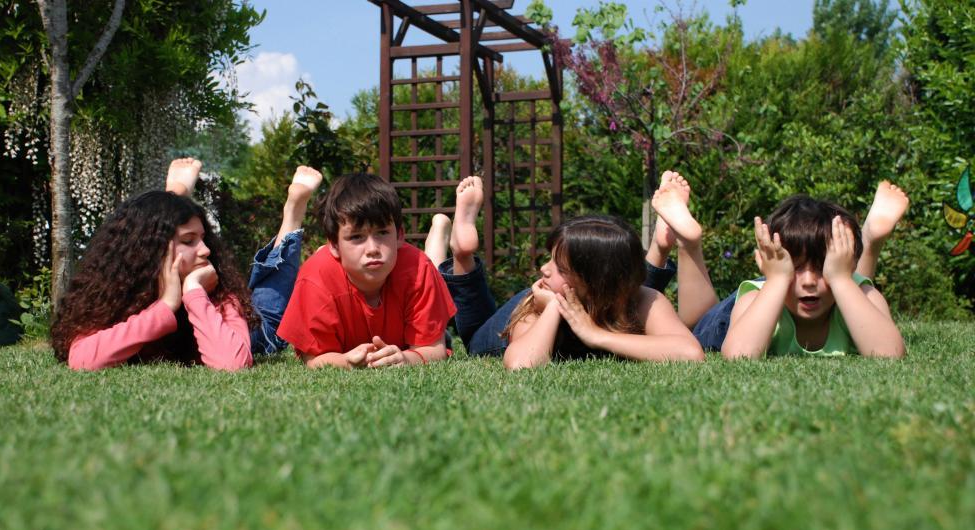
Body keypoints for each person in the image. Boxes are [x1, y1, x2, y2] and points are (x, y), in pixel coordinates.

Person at [51, 158, 321, 370]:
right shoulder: (114, 294)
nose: (205, 251)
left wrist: (194, 293)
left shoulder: (217, 290)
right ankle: (174, 199)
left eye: (202, 239)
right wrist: (166, 306)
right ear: (149, 249)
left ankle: (293, 214)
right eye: (189, 241)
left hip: (250, 333)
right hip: (156, 273)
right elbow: (82, 359)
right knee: (164, 219)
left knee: (269, 315)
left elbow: (232, 363)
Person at [424, 176, 705, 369]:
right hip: (496, 330)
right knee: (473, 336)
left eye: (559, 267)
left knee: (629, 288)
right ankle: (458, 254)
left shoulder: (643, 298)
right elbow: (521, 365)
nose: (543, 269)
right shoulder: (538, 300)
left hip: (607, 300)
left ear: (594, 283)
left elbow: (691, 354)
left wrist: (596, 335)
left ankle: (659, 247)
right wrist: (553, 310)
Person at [646, 171, 908, 358]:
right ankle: (689, 245)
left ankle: (868, 242)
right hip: (759, 303)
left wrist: (839, 279)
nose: (808, 281)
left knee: (852, 290)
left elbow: (889, 354)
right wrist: (779, 279)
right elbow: (739, 356)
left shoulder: (858, 291)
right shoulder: (755, 297)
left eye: (823, 269)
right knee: (692, 329)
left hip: (812, 283)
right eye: (797, 268)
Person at [276, 172, 457, 369]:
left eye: (382, 233)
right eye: (356, 237)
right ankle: (434, 241)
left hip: (413, 273)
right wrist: (345, 361)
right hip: (331, 273)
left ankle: (437, 239)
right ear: (334, 245)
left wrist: (405, 359)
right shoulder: (315, 281)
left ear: (400, 236)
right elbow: (313, 359)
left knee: (428, 265)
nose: (372, 249)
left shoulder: (420, 269)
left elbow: (433, 349)